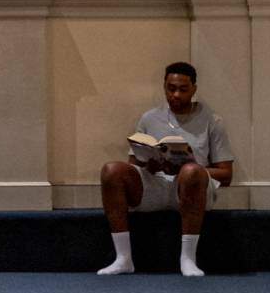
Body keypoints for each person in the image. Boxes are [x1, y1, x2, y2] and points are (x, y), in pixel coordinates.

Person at [96, 62, 233, 279]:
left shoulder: (212, 120)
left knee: (191, 172)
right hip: (156, 184)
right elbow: (133, 165)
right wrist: (150, 164)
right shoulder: (149, 118)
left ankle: (188, 258)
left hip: (191, 189)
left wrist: (192, 168)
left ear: (194, 89)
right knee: (111, 170)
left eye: (183, 89)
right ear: (164, 87)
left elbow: (226, 175)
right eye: (171, 88)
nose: (176, 94)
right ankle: (123, 258)